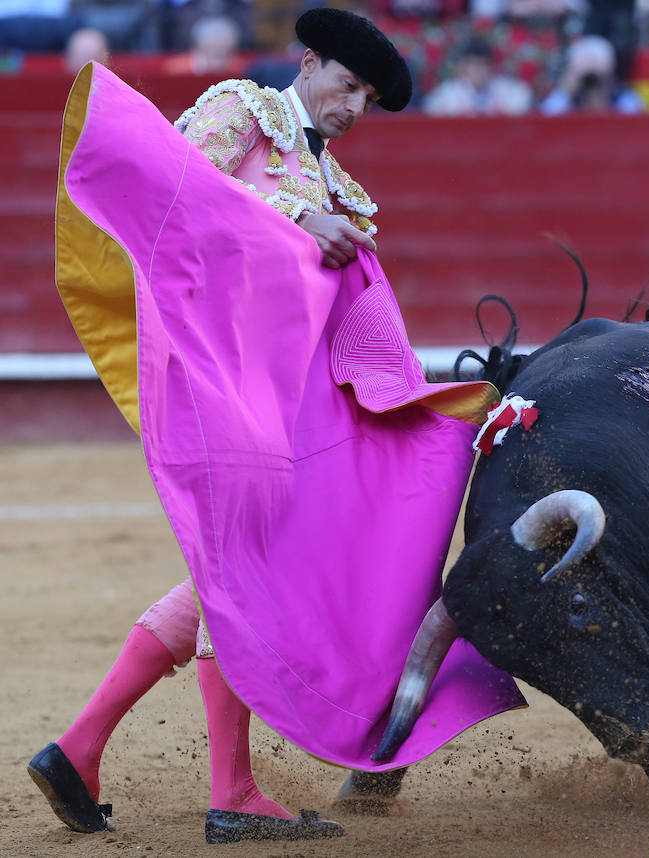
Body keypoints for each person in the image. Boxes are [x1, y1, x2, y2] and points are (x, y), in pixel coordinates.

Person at [27, 8, 420, 844]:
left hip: (275, 398)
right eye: (347, 84)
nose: (354, 107)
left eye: (370, 100)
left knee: (233, 569)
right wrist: (297, 221)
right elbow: (165, 196)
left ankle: (80, 749)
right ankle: (229, 790)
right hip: (208, 374)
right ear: (308, 64)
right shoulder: (244, 109)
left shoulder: (342, 189)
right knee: (242, 572)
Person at [422, 35, 533, 116]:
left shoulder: (508, 90)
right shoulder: (446, 93)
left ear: (491, 67)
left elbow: (522, 99)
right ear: (464, 67)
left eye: (484, 65)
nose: (479, 71)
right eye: (474, 65)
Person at [539, 35, 643, 115]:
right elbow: (545, 117)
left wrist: (603, 98)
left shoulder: (625, 99)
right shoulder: (566, 100)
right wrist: (565, 92)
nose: (591, 82)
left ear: (610, 73)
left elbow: (634, 124)